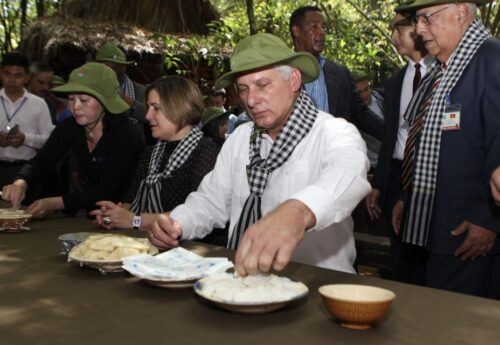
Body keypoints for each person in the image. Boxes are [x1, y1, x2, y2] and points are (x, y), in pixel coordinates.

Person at [148, 33, 370, 276]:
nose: (251, 100)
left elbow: (349, 174)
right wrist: (177, 223)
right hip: (243, 284)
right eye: (243, 89)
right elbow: (212, 201)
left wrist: (297, 212)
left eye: (263, 85)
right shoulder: (240, 138)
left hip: (315, 283)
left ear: (294, 80)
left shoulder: (333, 132)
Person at [391, 0, 500, 298]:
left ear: (461, 13)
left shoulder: (491, 60)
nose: (418, 29)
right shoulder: (443, 70)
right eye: (416, 20)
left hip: (467, 234)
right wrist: (408, 198)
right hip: (432, 225)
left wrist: (489, 221)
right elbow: (429, 144)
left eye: (426, 18)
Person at [1, 62, 145, 217]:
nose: (75, 106)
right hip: (93, 213)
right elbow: (42, 161)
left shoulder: (127, 133)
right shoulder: (71, 126)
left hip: (128, 214)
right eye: (71, 99)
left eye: (83, 100)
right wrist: (21, 183)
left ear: (105, 103)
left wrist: (53, 203)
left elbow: (106, 190)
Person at [89, 76, 221, 238]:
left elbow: (199, 213)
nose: (147, 116)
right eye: (148, 107)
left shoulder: (207, 153)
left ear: (180, 108)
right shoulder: (150, 154)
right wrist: (114, 216)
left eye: (155, 108)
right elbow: (131, 203)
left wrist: (133, 220)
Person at [365, 6, 432, 283]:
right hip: (395, 175)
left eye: (399, 28)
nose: (393, 36)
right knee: (399, 254)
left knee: (426, 256)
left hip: (428, 177)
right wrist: (379, 185)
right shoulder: (394, 82)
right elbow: (390, 137)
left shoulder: (443, 74)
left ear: (417, 27)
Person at [289, 6, 384, 141]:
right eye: (315, 26)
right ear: (296, 31)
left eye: (323, 27)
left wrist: (397, 137)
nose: (321, 32)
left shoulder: (340, 74)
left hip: (335, 154)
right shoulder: (282, 73)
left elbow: (362, 115)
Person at [0, 52, 54, 189]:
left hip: (24, 171)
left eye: (18, 75)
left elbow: (50, 140)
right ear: (1, 74)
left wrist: (25, 139)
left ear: (27, 78)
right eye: (7, 74)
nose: (12, 80)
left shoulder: (39, 104)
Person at [95, 43, 153, 145]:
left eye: (112, 68)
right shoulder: (91, 90)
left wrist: (128, 102)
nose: (108, 73)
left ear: (123, 68)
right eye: (103, 69)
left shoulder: (140, 91)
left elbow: (152, 118)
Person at [352, 70, 385, 171]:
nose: (365, 95)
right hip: (370, 167)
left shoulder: (382, 98)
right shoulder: (351, 111)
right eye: (359, 92)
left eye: (366, 89)